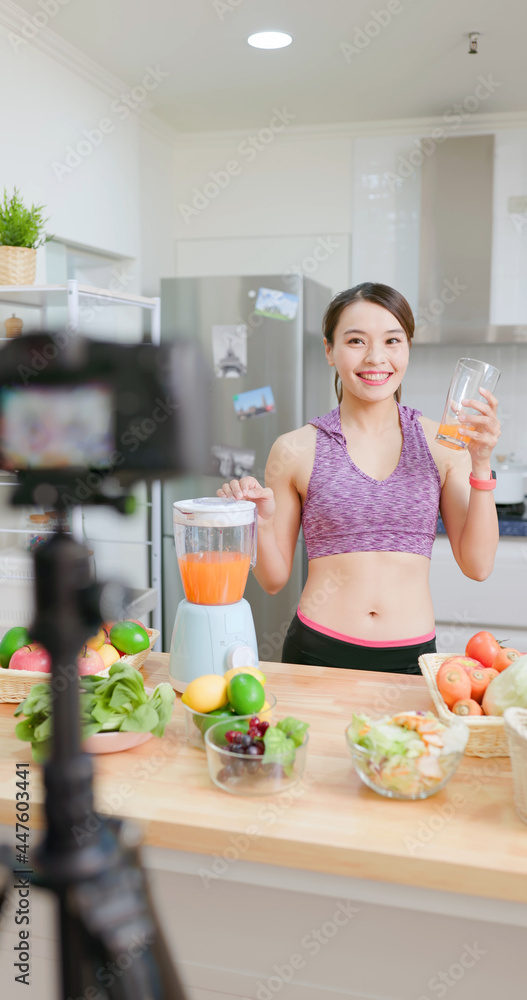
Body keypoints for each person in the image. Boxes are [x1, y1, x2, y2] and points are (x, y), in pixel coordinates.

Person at [217, 283, 501, 674]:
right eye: (355, 340)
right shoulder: (294, 449)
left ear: (407, 350)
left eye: (391, 340)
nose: (375, 357)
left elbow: (478, 565)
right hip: (317, 653)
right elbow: (272, 579)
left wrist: (481, 463)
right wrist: (258, 522)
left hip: (410, 661)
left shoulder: (444, 445)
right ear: (330, 351)